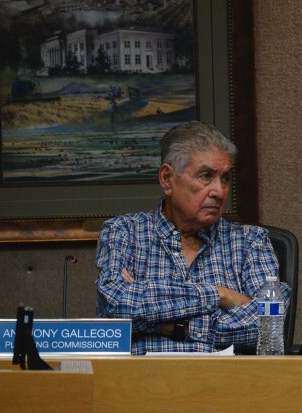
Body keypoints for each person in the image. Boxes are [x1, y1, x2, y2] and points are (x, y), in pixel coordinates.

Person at [95, 120, 285, 354]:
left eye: (225, 178)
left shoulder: (250, 241)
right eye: (206, 176)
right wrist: (220, 295)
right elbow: (116, 307)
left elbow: (268, 325)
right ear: (167, 179)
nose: (219, 191)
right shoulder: (124, 232)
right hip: (144, 383)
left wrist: (174, 326)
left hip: (227, 385)